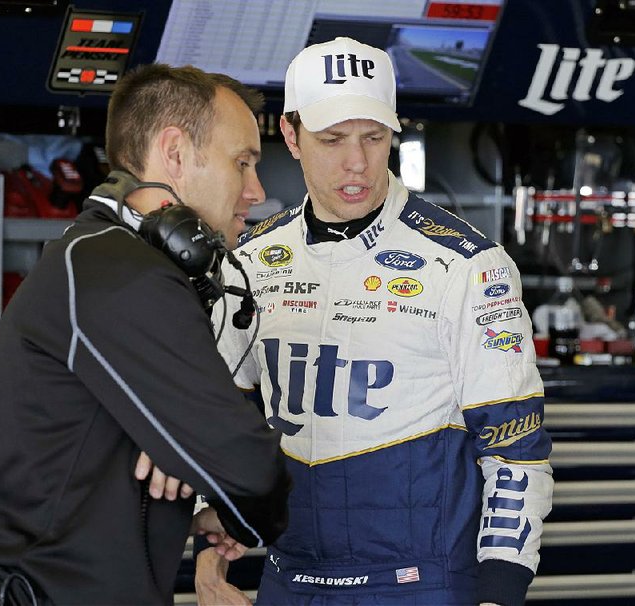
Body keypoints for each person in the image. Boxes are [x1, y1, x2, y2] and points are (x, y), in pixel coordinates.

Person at [196, 37, 555, 606]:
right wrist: (209, 554)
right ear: (289, 136)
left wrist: (500, 590)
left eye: (374, 136)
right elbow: (217, 420)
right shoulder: (249, 261)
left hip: (421, 583)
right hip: (289, 579)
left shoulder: (467, 264)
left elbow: (515, 448)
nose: (357, 161)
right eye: (333, 139)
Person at [0, 63, 291, 605]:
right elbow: (246, 463)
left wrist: (184, 448)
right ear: (175, 153)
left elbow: (200, 440)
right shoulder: (118, 271)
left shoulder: (108, 259)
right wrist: (242, 511)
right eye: (242, 162)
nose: (256, 189)